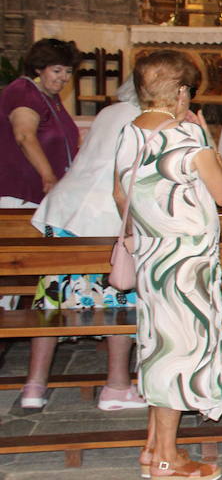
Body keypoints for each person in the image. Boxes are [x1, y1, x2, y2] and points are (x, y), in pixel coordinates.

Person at [114, 51, 222, 480]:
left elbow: (120, 194)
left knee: (158, 345)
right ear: (182, 93)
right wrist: (208, 141)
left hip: (151, 258)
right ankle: (166, 459)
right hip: (185, 266)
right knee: (178, 353)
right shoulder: (185, 138)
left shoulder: (130, 133)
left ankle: (152, 448)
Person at [19, 79, 143, 411]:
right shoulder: (147, 118)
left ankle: (34, 386)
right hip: (102, 213)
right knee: (121, 296)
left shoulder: (109, 111)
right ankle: (117, 386)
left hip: (64, 208)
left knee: (52, 297)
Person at [1, 38, 79, 209]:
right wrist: (48, 176)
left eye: (68, 71)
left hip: (44, 195)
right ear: (38, 68)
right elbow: (24, 136)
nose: (64, 78)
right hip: (21, 193)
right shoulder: (23, 91)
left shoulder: (50, 96)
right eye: (57, 71)